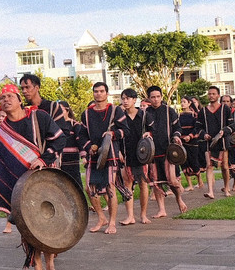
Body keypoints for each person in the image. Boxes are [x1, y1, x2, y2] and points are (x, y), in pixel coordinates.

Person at [0, 84, 65, 270]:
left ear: (20, 99)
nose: (6, 100)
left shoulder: (39, 117)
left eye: (10, 96)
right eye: (3, 98)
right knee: (27, 228)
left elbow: (59, 140)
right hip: (19, 187)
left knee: (48, 224)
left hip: (44, 179)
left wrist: (43, 159)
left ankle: (51, 268)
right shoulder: (0, 133)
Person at [75, 82, 128, 234]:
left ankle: (112, 222)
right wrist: (88, 146)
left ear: (107, 93)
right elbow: (82, 135)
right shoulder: (86, 113)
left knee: (110, 187)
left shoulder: (115, 110)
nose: (98, 94)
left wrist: (113, 134)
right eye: (96, 91)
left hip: (110, 154)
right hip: (93, 156)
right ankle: (101, 218)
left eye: (101, 91)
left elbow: (125, 130)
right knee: (89, 188)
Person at [19, 74, 81, 187]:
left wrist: (48, 153)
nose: (24, 91)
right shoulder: (24, 110)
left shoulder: (53, 107)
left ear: (37, 88)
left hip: (51, 159)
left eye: (27, 87)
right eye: (22, 88)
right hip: (30, 159)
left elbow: (63, 133)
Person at [142, 86, 187, 215]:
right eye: (153, 97)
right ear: (149, 98)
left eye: (158, 96)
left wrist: (176, 136)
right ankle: (161, 209)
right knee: (156, 182)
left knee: (172, 180)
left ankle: (179, 200)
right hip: (152, 152)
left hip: (168, 151)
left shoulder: (170, 111)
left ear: (161, 97)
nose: (155, 99)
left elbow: (177, 127)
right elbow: (143, 131)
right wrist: (147, 134)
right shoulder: (145, 113)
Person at [118, 89, 152, 224]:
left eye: (128, 98)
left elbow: (152, 130)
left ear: (134, 100)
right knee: (127, 184)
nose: (125, 101)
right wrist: (119, 152)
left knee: (143, 183)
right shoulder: (120, 116)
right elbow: (117, 136)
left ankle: (143, 215)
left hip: (142, 154)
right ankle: (130, 216)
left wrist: (149, 134)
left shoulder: (144, 115)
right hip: (126, 154)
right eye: (123, 98)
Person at [197, 86, 234, 198]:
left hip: (222, 142)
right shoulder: (203, 111)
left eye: (213, 94)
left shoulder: (225, 109)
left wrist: (224, 131)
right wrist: (204, 134)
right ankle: (210, 191)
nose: (211, 96)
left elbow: (232, 125)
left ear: (218, 95)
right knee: (209, 165)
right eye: (209, 94)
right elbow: (198, 127)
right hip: (208, 143)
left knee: (224, 166)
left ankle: (227, 188)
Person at [178, 97, 203, 191]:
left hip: (192, 141)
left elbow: (197, 127)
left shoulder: (194, 115)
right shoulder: (179, 115)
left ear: (189, 103)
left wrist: (190, 136)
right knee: (184, 162)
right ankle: (190, 184)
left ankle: (200, 181)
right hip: (182, 141)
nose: (182, 104)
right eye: (181, 102)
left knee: (194, 161)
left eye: (184, 102)